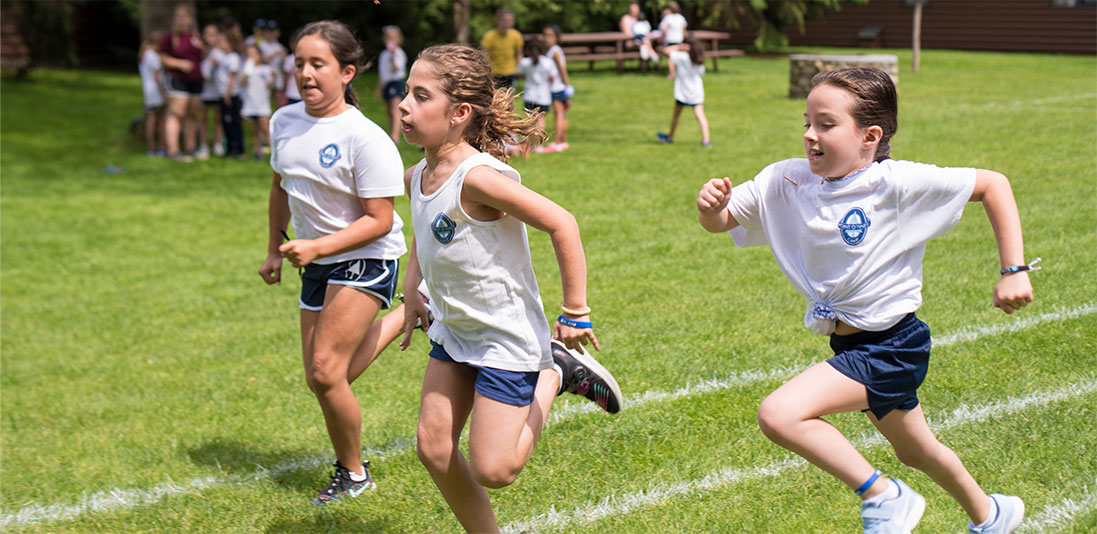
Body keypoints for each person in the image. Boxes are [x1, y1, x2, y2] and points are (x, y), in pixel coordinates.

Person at [696, 67, 1032, 534]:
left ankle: (884, 497)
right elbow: (724, 221)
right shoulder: (786, 180)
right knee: (916, 451)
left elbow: (993, 184)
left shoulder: (893, 184)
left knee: (779, 413)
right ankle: (992, 514)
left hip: (892, 347)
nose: (811, 135)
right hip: (852, 347)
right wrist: (711, 209)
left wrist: (1013, 271)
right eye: (807, 122)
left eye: (827, 125)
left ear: (870, 135)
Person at [397, 44, 624, 533]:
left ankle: (558, 372)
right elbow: (422, 229)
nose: (403, 105)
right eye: (405, 92)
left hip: (504, 337)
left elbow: (562, 224)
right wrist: (412, 286)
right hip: (455, 332)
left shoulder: (479, 178)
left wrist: (576, 309)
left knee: (496, 469)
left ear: (458, 113)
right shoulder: (417, 173)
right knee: (434, 449)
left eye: (420, 96)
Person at [258, 20, 409, 507]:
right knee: (320, 376)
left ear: (346, 72)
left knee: (327, 373)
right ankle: (412, 314)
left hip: (366, 257)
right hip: (316, 263)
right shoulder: (283, 121)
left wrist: (318, 247)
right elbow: (281, 186)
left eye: (317, 64)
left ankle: (354, 473)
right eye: (299, 62)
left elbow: (381, 220)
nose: (306, 73)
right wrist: (273, 248)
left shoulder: (365, 137)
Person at [158, 3, 205, 161]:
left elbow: (201, 56)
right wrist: (180, 64)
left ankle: (190, 147)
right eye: (178, 17)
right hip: (177, 78)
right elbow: (163, 58)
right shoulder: (169, 38)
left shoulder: (195, 37)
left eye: (184, 17)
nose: (181, 20)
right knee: (177, 113)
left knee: (192, 113)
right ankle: (173, 150)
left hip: (196, 79)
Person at [657, 35, 710, 147]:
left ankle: (670, 137)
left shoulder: (682, 56)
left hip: (683, 90)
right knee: (700, 115)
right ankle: (706, 140)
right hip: (696, 90)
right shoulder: (699, 58)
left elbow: (666, 50)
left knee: (676, 114)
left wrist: (679, 47)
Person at [516, 37, 553, 153]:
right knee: (541, 120)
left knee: (529, 120)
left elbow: (519, 75)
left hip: (530, 94)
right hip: (543, 95)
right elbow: (552, 78)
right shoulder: (547, 62)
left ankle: (526, 143)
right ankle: (538, 145)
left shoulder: (525, 62)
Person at [374, 25, 407, 144]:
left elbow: (395, 69)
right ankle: (392, 132)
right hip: (387, 83)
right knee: (388, 111)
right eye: (388, 38)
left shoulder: (398, 54)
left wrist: (393, 56)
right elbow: (382, 73)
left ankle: (395, 136)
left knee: (395, 109)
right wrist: (378, 89)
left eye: (393, 38)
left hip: (395, 82)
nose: (390, 41)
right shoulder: (383, 55)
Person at [241, 44, 274, 160]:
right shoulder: (247, 69)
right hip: (250, 104)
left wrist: (272, 78)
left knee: (266, 129)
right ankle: (258, 153)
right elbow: (242, 82)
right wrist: (247, 71)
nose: (252, 57)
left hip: (262, 104)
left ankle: (273, 152)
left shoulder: (265, 69)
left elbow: (271, 85)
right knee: (254, 130)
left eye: (254, 54)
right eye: (249, 55)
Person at [542, 25, 572, 152]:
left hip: (557, 88)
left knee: (559, 114)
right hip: (555, 87)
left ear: (556, 37)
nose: (546, 38)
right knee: (561, 114)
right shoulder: (551, 50)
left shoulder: (554, 51)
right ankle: (563, 141)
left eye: (549, 36)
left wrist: (566, 85)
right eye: (544, 35)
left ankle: (558, 142)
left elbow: (561, 69)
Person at [138, 31, 166, 157]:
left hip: (147, 91)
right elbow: (157, 77)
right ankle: (161, 147)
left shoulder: (143, 55)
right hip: (156, 91)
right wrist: (163, 92)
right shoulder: (154, 56)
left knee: (151, 118)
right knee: (160, 119)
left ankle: (151, 148)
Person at [480, 8, 523, 89]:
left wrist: (520, 69)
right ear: (498, 20)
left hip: (511, 72)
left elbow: (519, 54)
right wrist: (486, 71)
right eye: (504, 20)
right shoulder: (489, 36)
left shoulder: (516, 35)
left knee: (509, 98)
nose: (507, 23)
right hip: (494, 73)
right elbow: (484, 56)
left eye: (509, 20)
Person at [198, 22, 224, 159]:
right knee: (203, 118)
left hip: (217, 90)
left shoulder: (221, 53)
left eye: (213, 34)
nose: (210, 37)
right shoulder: (201, 52)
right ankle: (203, 145)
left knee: (219, 118)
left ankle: (218, 144)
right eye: (207, 34)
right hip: (204, 90)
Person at [620, 2, 659, 67]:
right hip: (631, 41)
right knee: (645, 41)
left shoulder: (640, 19)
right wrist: (640, 35)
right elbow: (628, 34)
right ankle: (652, 54)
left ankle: (646, 53)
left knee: (645, 43)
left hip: (642, 41)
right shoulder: (626, 18)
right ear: (630, 10)